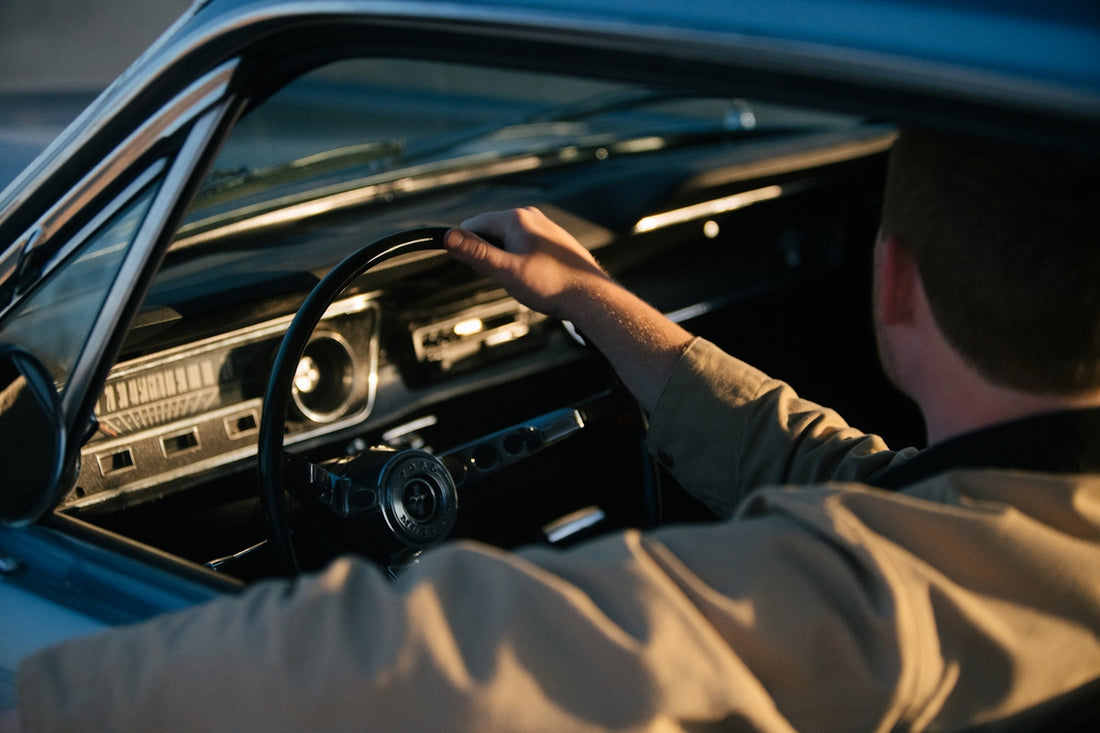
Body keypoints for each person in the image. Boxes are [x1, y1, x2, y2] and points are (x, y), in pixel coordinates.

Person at [3, 128, 1099, 731]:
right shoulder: (1026, 514)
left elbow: (453, 655)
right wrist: (592, 300)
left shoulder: (882, 615)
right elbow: (856, 476)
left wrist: (39, 700)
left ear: (890, 282)